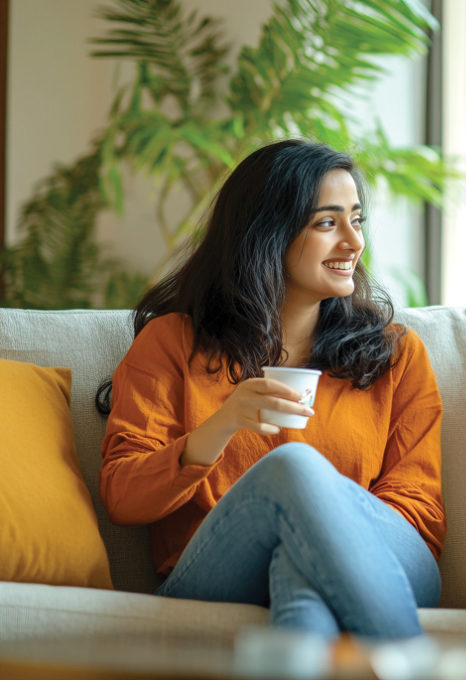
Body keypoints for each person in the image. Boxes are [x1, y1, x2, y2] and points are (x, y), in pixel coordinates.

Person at [99, 140, 444, 640]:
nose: (353, 242)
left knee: (298, 556)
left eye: (357, 220)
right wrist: (221, 427)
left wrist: (319, 533)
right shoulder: (172, 344)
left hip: (392, 562)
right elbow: (123, 497)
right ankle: (410, 663)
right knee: (292, 471)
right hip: (219, 572)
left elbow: (419, 506)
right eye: (327, 223)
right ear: (267, 234)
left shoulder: (396, 355)